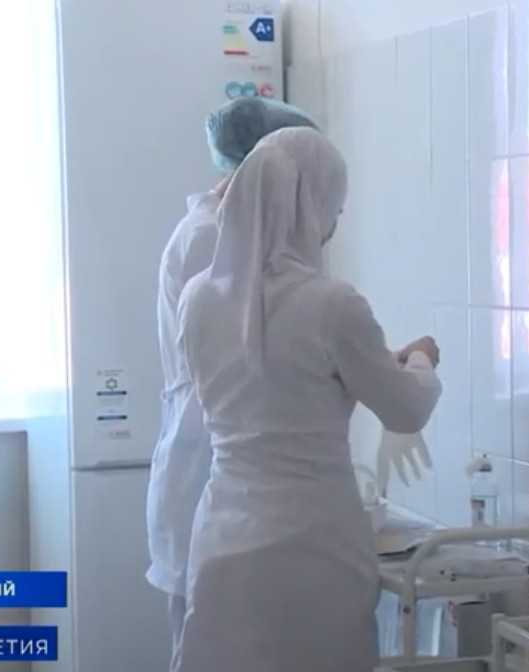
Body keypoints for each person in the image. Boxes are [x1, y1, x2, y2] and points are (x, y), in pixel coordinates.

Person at [172, 127, 442, 672]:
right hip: (314, 548)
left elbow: (269, 381)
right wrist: (420, 361)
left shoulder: (199, 298)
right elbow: (407, 410)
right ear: (312, 207)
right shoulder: (332, 304)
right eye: (334, 210)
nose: (334, 226)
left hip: (224, 542)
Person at [146, 96, 318, 664]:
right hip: (206, 464)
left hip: (219, 469)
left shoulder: (225, 235)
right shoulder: (208, 238)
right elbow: (247, 353)